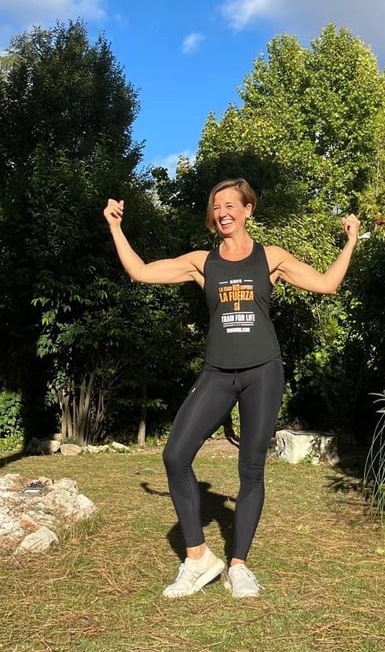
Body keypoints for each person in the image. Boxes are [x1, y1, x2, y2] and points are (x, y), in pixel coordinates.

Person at [103, 178, 361, 599]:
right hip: (218, 373)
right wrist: (116, 227)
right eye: (217, 206)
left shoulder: (270, 257)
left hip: (263, 372)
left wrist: (349, 242)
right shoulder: (202, 262)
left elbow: (327, 284)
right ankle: (199, 559)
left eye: (230, 205)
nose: (222, 212)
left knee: (251, 469)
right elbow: (141, 272)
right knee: (175, 455)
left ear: (247, 210)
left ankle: (238, 565)